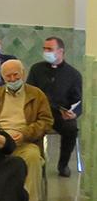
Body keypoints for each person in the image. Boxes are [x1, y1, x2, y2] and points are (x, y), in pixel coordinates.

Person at [0, 60, 52, 201]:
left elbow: (46, 121)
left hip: (25, 141)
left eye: (16, 75)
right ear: (2, 77)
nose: (12, 79)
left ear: (23, 74)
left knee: (33, 157)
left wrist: (25, 133)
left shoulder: (37, 95)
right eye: (8, 76)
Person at [27, 36, 83, 177]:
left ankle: (63, 165)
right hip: (38, 112)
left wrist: (73, 113)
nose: (46, 52)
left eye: (50, 49)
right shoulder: (36, 69)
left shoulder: (73, 74)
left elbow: (78, 101)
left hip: (59, 113)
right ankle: (35, 161)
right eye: (44, 49)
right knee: (29, 127)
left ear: (60, 51)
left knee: (71, 128)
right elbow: (29, 92)